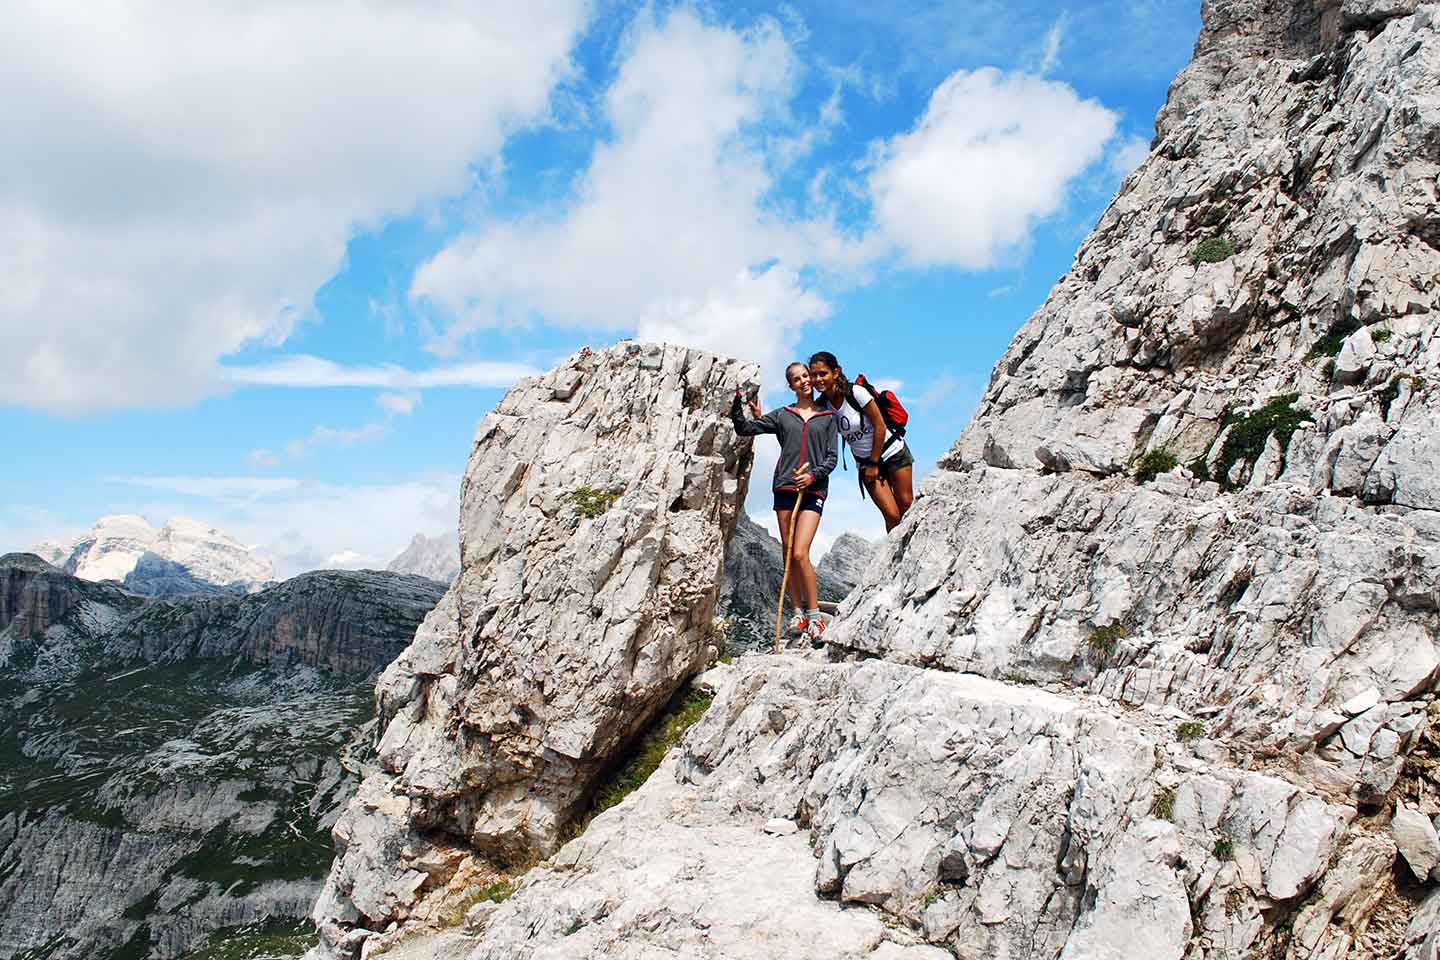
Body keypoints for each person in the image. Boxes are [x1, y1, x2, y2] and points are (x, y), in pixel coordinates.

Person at [731, 362, 838, 644]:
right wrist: (737, 399)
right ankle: (797, 613)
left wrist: (813, 476)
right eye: (796, 379)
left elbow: (831, 458)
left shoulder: (828, 417)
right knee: (789, 553)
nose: (803, 381)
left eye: (806, 376)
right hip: (784, 489)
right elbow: (745, 428)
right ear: (791, 386)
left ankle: (815, 617)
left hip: (813, 490)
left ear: (811, 381)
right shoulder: (782, 415)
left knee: (801, 552)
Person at [808, 351, 915, 532]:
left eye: (823, 374)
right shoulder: (823, 406)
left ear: (835, 372)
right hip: (866, 463)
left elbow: (880, 425)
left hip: (893, 452)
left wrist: (874, 463)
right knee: (892, 515)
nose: (818, 379)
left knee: (906, 506)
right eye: (814, 375)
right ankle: (896, 558)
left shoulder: (856, 392)